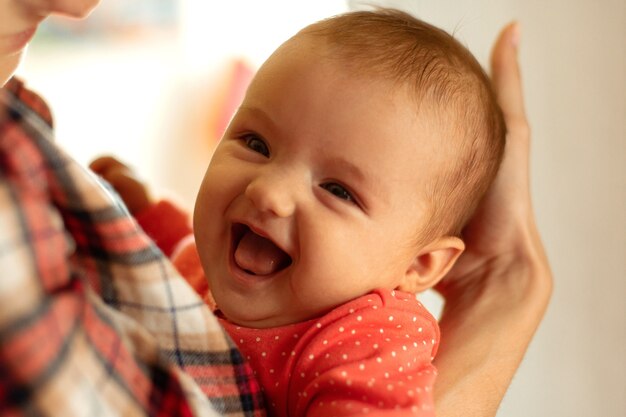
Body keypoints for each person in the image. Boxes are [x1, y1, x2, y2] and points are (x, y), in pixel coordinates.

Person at [1, 1, 552, 416]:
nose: (269, 192)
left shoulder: (365, 336)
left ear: (420, 267)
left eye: (337, 191)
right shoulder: (230, 265)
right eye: (256, 144)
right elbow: (174, 256)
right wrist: (135, 207)